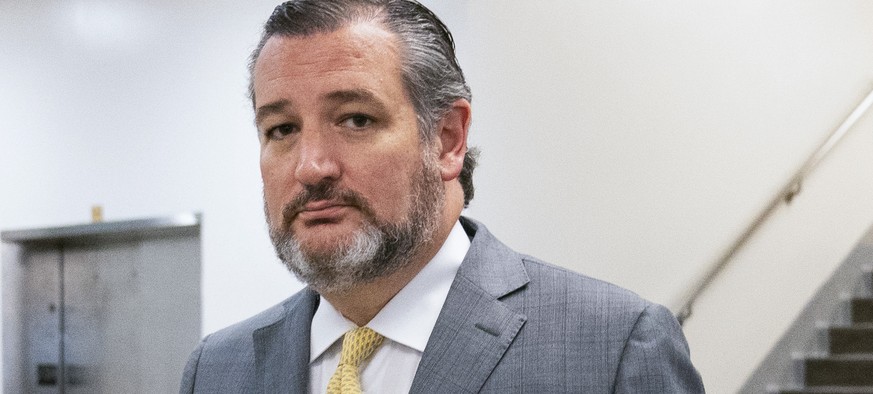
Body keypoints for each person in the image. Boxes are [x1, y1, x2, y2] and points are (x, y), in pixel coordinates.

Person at [180, 0, 705, 392]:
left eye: (356, 119)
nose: (312, 166)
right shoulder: (218, 371)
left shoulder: (610, 349)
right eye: (281, 129)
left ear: (447, 139)